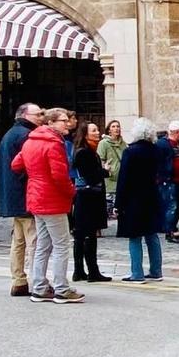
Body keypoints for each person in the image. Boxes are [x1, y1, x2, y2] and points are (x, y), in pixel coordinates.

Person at [13, 106, 81, 303]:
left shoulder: (30, 141)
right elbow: (59, 176)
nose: (67, 123)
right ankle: (62, 288)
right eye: (63, 120)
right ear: (50, 123)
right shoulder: (53, 144)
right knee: (61, 245)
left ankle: (39, 287)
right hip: (52, 199)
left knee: (43, 244)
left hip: (36, 196)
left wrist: (35, 172)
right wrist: (72, 192)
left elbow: (16, 165)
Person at [116, 117, 169, 282]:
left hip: (134, 198)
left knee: (135, 236)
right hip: (152, 195)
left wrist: (119, 203)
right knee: (151, 234)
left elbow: (123, 179)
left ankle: (137, 272)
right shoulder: (156, 150)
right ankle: (156, 270)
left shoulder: (130, 151)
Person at [0, 102, 41, 297]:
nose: (41, 118)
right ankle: (37, 281)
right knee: (34, 241)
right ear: (24, 115)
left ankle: (18, 280)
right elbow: (29, 166)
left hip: (13, 196)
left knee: (19, 241)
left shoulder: (10, 134)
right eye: (37, 114)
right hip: (25, 195)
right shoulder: (26, 135)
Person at [71, 120, 111, 283]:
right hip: (88, 198)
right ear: (85, 134)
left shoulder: (88, 151)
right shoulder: (84, 152)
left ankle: (80, 270)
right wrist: (105, 171)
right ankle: (91, 271)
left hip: (89, 197)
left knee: (82, 235)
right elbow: (91, 175)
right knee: (87, 235)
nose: (97, 132)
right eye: (93, 130)